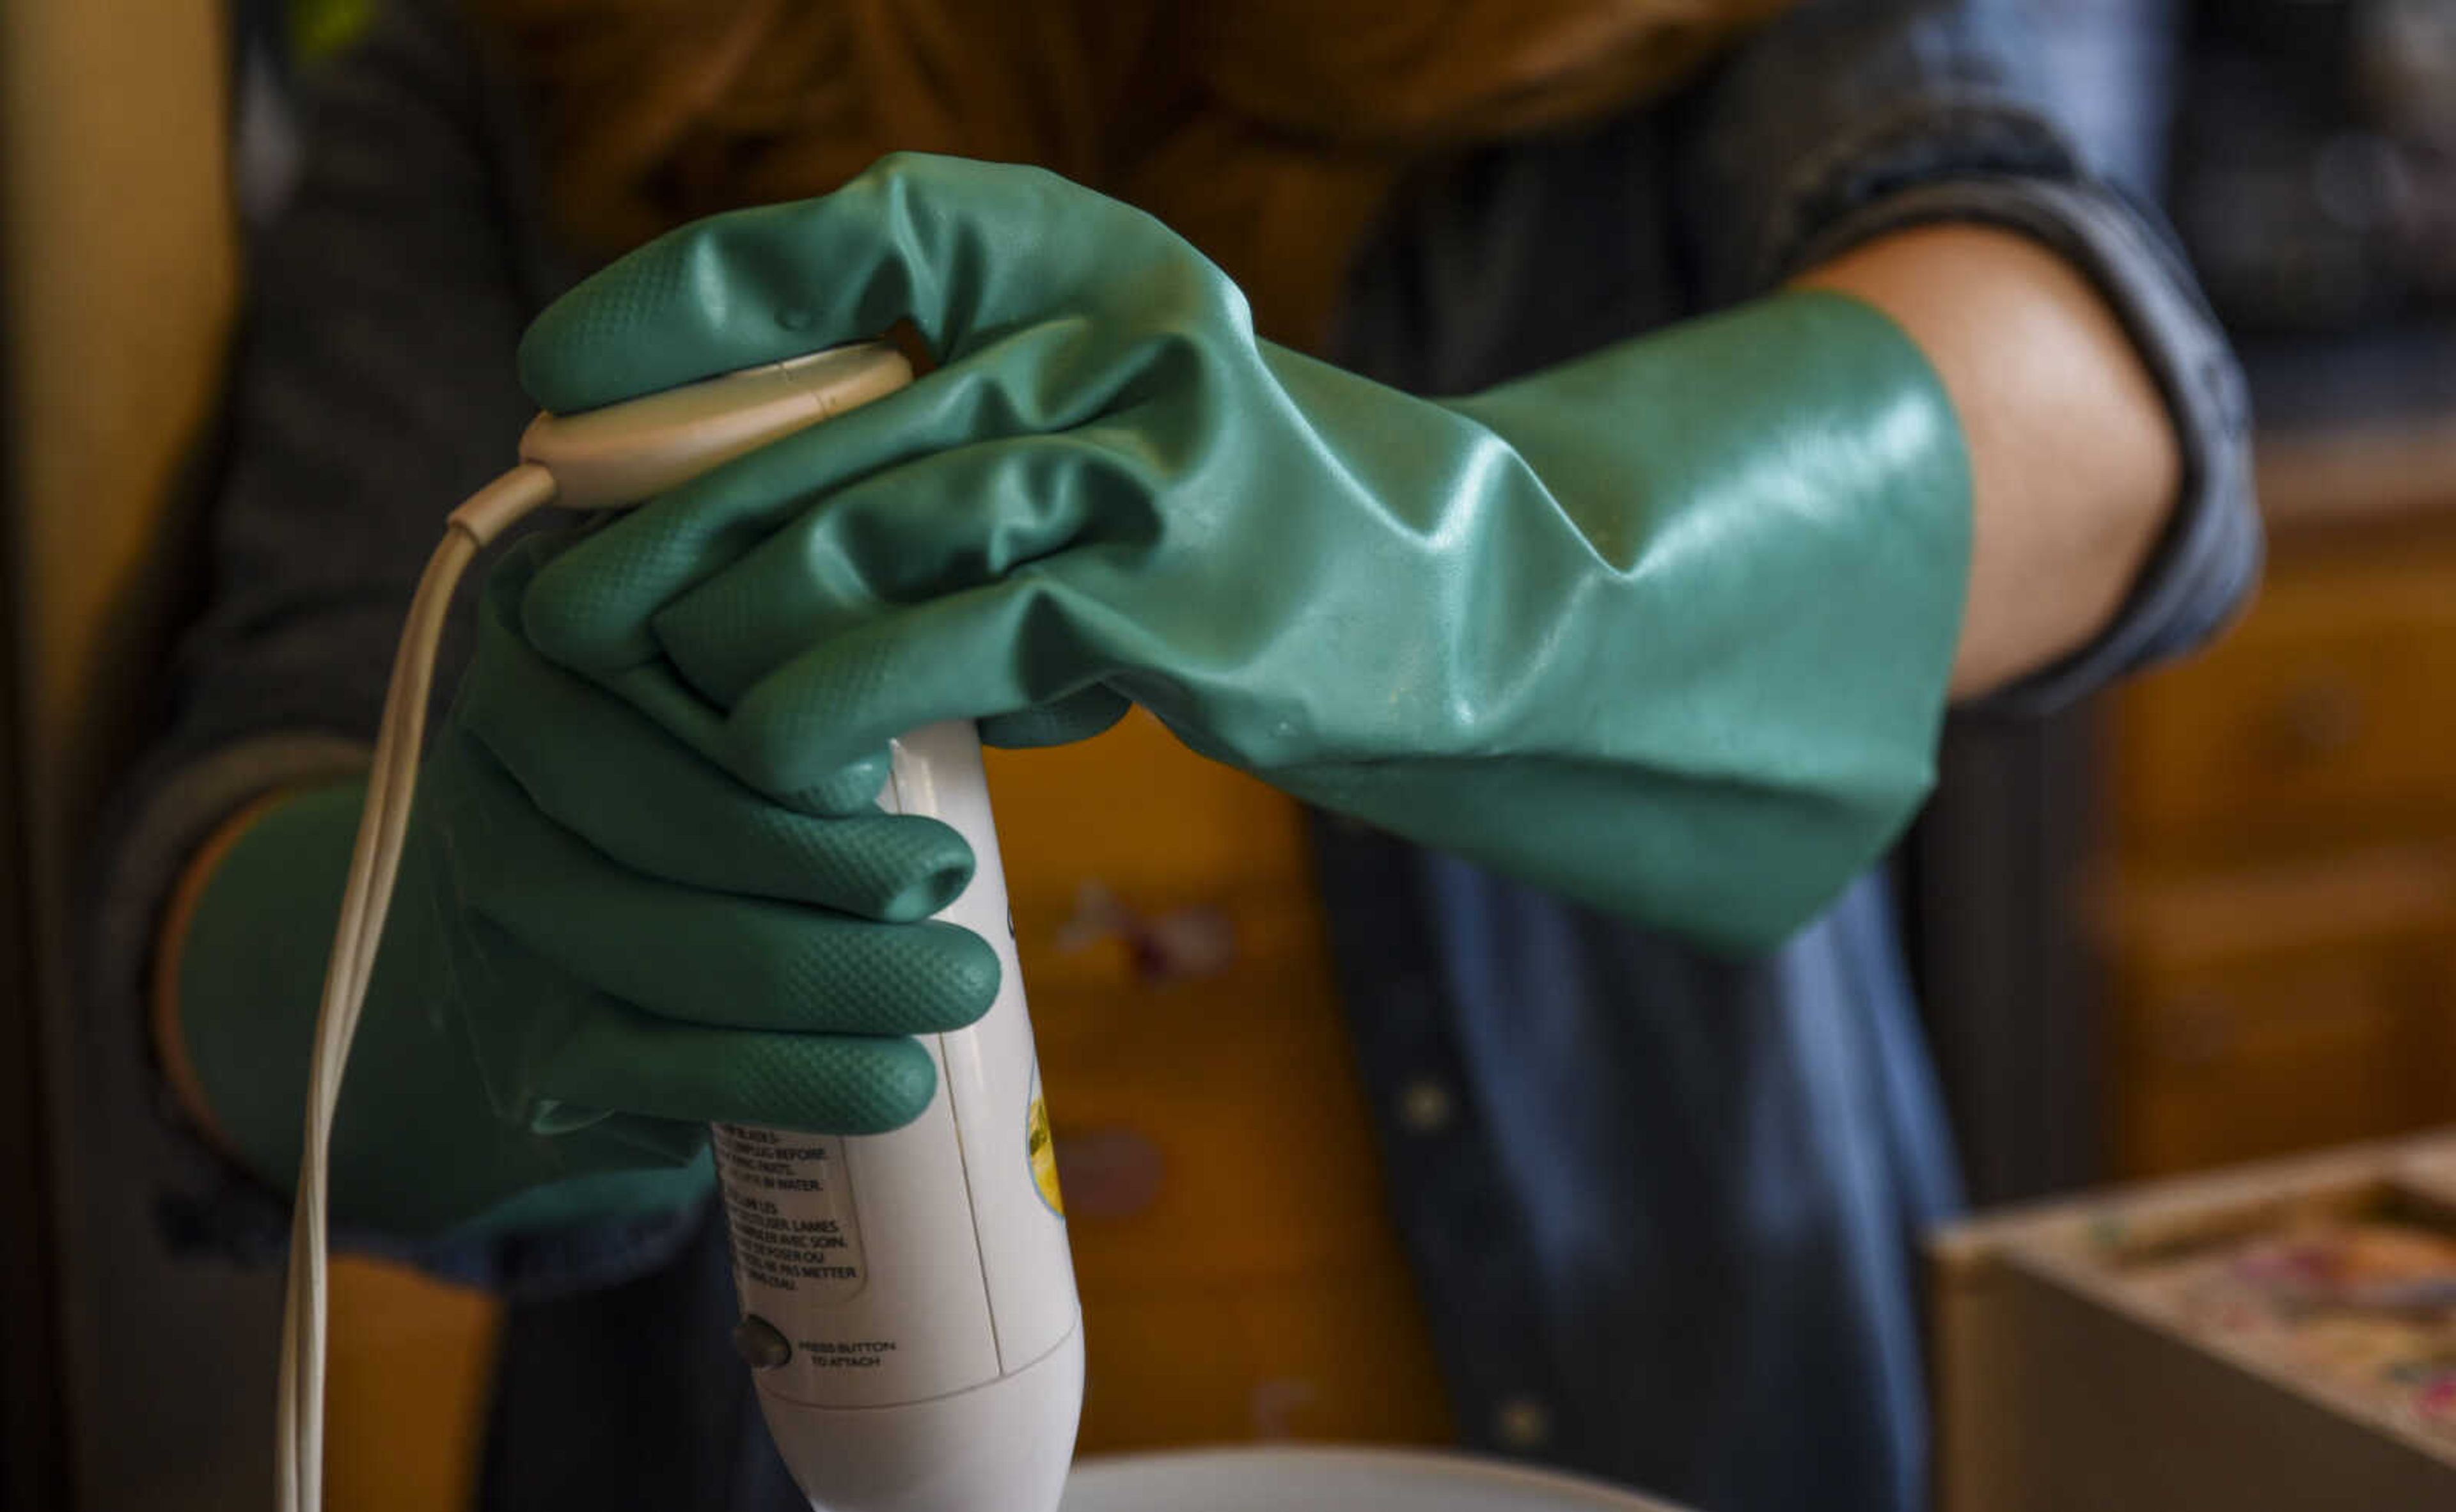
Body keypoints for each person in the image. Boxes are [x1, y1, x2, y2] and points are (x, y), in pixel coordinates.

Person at [97, 1, 2258, 1509]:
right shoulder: (514, 91)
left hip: (1670, 1436)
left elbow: (2095, 398)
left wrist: (1461, 570)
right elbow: (218, 876)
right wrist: (465, 961)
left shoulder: (1695, 42)